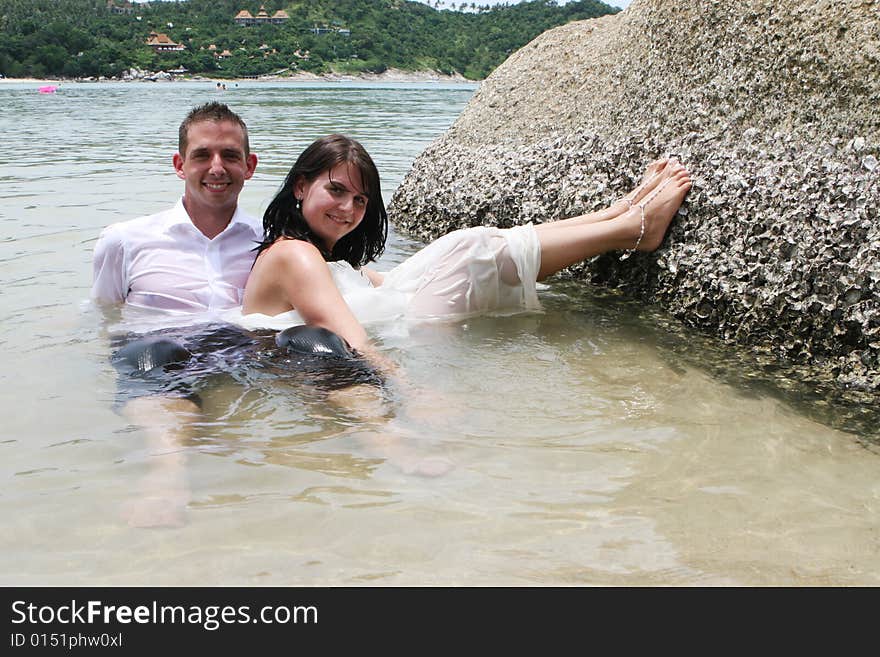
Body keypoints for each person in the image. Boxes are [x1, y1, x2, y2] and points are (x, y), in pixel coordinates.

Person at [240, 134, 693, 368]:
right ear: (300, 185)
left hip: (396, 316)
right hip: (405, 333)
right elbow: (349, 337)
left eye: (359, 200)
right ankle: (630, 226)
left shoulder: (315, 255)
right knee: (472, 249)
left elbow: (376, 282)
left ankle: (617, 216)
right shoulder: (294, 255)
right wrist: (407, 389)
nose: (348, 209)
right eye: (336, 191)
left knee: (473, 243)